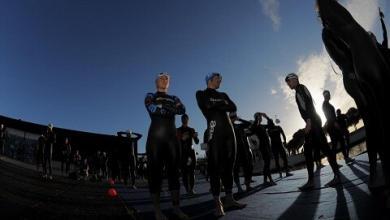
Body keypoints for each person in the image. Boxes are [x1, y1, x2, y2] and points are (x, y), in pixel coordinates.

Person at [196, 72, 246, 217]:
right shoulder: (201, 93)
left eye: (221, 79)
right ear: (210, 80)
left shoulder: (223, 94)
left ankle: (230, 199)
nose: (220, 81)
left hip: (229, 132)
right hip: (214, 131)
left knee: (230, 165)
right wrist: (222, 104)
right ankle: (218, 203)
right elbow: (206, 104)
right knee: (215, 167)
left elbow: (233, 106)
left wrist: (217, 104)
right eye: (218, 79)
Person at [285, 73, 341, 190]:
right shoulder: (299, 90)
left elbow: (308, 104)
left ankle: (336, 176)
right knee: (309, 150)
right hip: (313, 121)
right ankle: (312, 180)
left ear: (294, 79)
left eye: (289, 81)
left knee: (324, 148)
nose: (288, 84)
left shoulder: (300, 88)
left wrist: (309, 121)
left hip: (313, 122)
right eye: (287, 83)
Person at [145, 72, 188, 220]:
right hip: (155, 139)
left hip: (172, 139)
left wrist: (164, 107)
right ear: (156, 80)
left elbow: (182, 110)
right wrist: (170, 109)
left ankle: (176, 208)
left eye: (167, 78)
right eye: (162, 77)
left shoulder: (174, 97)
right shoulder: (150, 94)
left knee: (174, 174)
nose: (165, 79)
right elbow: (152, 108)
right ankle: (157, 212)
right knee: (154, 174)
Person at [322, 90, 354, 164]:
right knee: (335, 145)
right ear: (324, 96)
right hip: (332, 127)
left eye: (329, 94)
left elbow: (332, 115)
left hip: (334, 126)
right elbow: (328, 115)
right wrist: (335, 123)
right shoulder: (325, 104)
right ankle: (334, 163)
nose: (328, 95)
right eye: (327, 94)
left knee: (341, 142)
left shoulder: (328, 104)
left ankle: (346, 158)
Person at [229, 112, 254, 192]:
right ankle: (239, 187)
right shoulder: (228, 127)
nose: (233, 118)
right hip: (235, 150)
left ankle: (247, 185)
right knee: (235, 169)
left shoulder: (239, 125)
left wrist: (239, 119)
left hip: (244, 149)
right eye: (232, 117)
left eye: (234, 116)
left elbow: (248, 123)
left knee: (247, 167)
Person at [250, 112, 276, 186]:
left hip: (267, 146)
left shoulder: (262, 126)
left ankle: (265, 181)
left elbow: (272, 125)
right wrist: (256, 118)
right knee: (267, 164)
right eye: (259, 117)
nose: (260, 118)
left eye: (260, 117)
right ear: (256, 118)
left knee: (267, 164)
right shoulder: (255, 126)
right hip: (263, 147)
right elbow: (253, 128)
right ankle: (270, 180)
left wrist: (266, 117)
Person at [177, 114, 199, 195]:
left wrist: (196, 137)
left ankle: (191, 189)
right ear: (181, 120)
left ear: (188, 120)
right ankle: (187, 189)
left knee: (191, 171)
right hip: (183, 154)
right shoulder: (178, 130)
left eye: (186, 118)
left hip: (191, 153)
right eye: (183, 118)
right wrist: (182, 138)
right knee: (184, 173)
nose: (184, 120)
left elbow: (196, 142)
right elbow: (176, 142)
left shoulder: (191, 130)